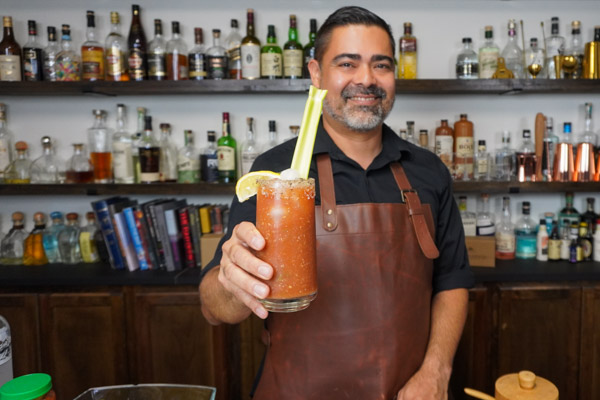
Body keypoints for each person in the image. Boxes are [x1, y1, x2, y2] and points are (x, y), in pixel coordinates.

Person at [199, 6, 474, 400]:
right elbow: (214, 309)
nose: (366, 79)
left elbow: (452, 280)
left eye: (381, 65)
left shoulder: (428, 171)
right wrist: (231, 283)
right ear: (315, 73)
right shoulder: (276, 172)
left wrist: (436, 371)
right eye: (347, 63)